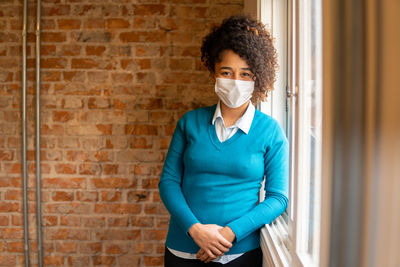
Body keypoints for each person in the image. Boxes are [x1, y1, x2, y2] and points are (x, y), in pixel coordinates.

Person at [158, 15, 288, 267]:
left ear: (257, 78)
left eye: (245, 74)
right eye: (226, 72)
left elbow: (278, 198)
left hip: (239, 253)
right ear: (214, 73)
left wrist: (228, 234)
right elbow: (169, 182)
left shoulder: (270, 130)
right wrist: (196, 230)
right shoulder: (190, 122)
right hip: (182, 250)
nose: (235, 82)